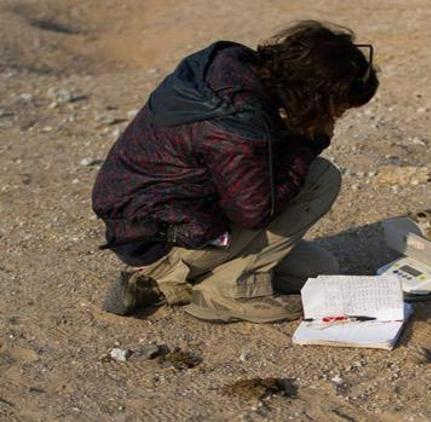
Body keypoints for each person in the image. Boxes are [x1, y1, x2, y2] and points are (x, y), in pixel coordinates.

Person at [91, 21, 379, 323]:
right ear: (317, 96)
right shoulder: (237, 124)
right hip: (166, 240)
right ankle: (224, 291)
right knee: (321, 178)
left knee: (318, 270)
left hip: (159, 224)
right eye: (339, 108)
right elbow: (254, 213)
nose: (338, 116)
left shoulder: (232, 67)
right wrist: (308, 140)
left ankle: (173, 284)